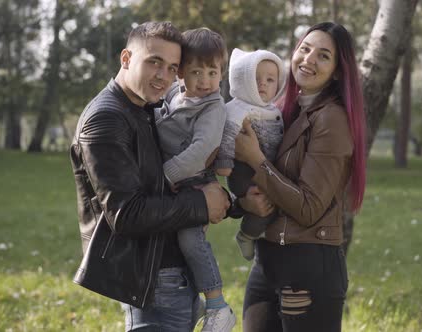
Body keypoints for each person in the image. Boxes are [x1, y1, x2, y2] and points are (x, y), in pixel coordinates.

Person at [69, 21, 233, 332]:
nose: (163, 76)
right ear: (126, 58)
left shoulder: (145, 107)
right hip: (153, 278)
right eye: (154, 62)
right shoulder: (107, 118)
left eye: (172, 67)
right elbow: (126, 214)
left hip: (172, 271)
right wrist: (201, 204)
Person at [234, 22, 366, 331]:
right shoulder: (281, 110)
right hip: (268, 260)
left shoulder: (331, 119)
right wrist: (244, 202)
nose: (308, 60)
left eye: (323, 56)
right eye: (304, 49)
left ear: (336, 71)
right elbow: (259, 184)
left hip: (307, 265)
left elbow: (309, 207)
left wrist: (256, 159)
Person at [154, 27, 236, 332]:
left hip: (195, 183)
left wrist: (166, 174)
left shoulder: (213, 107)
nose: (205, 81)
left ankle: (218, 305)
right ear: (180, 74)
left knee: (191, 240)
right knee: (173, 242)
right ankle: (193, 303)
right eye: (196, 71)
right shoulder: (174, 95)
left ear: (221, 73)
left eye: (212, 72)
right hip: (176, 184)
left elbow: (202, 150)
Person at [214, 48, 286, 261]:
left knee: (270, 206)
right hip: (244, 173)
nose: (263, 83)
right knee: (263, 206)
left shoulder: (272, 109)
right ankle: (246, 235)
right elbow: (228, 133)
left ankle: (257, 234)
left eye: (270, 79)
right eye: (256, 78)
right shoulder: (238, 108)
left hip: (264, 169)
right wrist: (225, 161)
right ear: (243, 81)